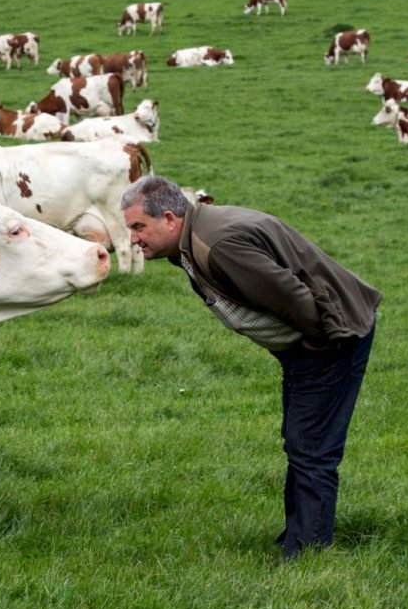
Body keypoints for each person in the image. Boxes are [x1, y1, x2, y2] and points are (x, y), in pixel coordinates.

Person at [121, 175, 380, 559]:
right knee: (300, 441)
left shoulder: (219, 245)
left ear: (171, 219)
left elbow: (291, 295)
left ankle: (308, 552)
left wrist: (312, 342)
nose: (133, 239)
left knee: (311, 448)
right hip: (312, 342)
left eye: (139, 227)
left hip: (333, 336)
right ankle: (299, 538)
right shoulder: (197, 235)